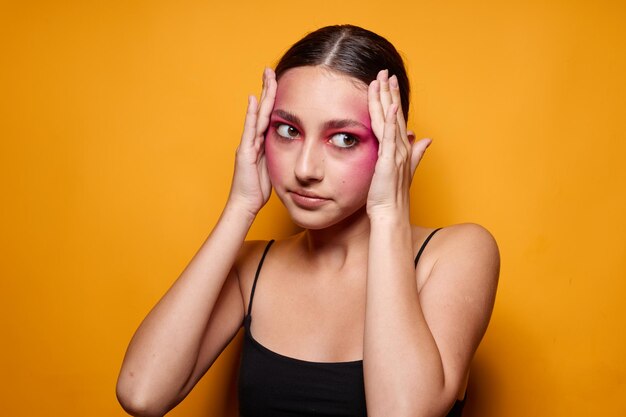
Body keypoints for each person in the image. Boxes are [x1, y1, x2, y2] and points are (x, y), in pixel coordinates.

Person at [116, 25, 500, 417]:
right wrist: (242, 204)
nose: (304, 169)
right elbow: (142, 394)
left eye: (344, 138)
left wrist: (387, 214)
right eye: (288, 131)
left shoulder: (456, 254)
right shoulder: (251, 270)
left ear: (394, 147)